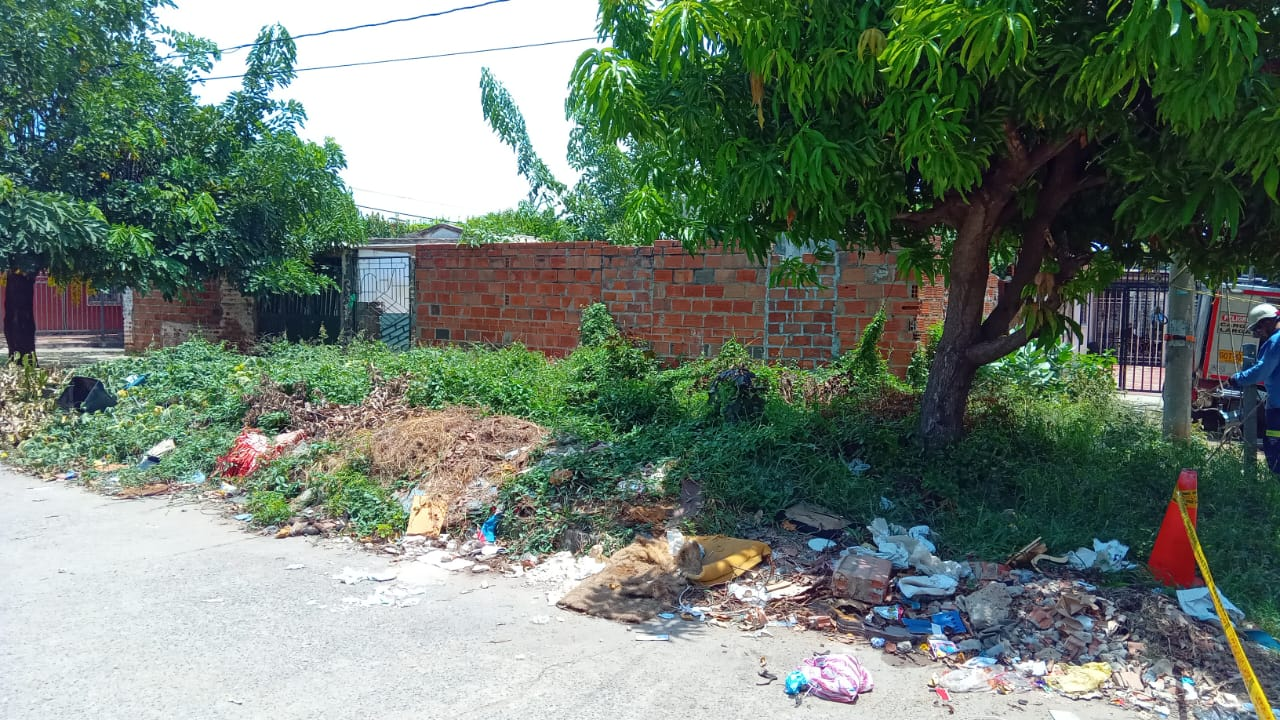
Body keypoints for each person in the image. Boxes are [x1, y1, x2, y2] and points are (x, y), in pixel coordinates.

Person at [1229, 303, 1280, 474]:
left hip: (1278, 409)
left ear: (1266, 322)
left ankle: (1275, 490)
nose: (1258, 333)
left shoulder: (1276, 341)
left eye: (1258, 328)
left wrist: (1238, 379)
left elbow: (1261, 371)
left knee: (1275, 448)